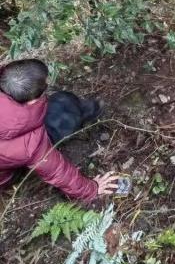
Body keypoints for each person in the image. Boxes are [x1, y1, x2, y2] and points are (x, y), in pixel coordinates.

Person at [0, 59, 119, 202]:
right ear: (31, 101)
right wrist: (92, 189)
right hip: (6, 173)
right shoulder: (29, 144)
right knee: (62, 107)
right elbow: (58, 172)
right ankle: (85, 110)